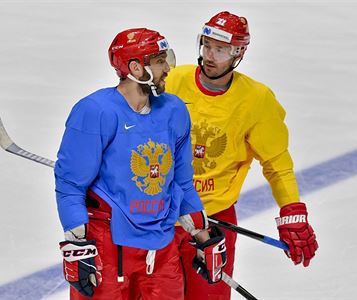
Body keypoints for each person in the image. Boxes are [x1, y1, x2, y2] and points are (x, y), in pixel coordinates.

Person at [54, 28, 227, 299]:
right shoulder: (95, 111)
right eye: (159, 61)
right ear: (136, 67)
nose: (167, 68)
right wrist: (77, 242)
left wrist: (202, 234)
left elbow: (180, 180)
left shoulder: (174, 110)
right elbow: (70, 184)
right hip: (107, 246)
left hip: (161, 245)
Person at [164, 11, 319, 299]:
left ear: (238, 53)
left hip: (212, 222)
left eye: (220, 50)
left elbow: (277, 163)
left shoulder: (256, 101)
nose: (210, 56)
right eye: (206, 45)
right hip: (158, 216)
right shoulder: (173, 81)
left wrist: (292, 210)